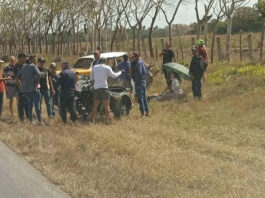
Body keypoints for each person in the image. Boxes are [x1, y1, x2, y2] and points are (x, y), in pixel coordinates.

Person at [90, 58, 121, 124]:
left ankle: (93, 120)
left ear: (99, 61)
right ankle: (106, 121)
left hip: (96, 88)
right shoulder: (107, 67)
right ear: (105, 62)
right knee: (106, 105)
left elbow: (91, 78)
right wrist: (120, 72)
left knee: (95, 105)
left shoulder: (94, 67)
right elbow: (114, 76)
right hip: (104, 88)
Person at [17, 55, 42, 124]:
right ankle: (40, 121)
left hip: (26, 90)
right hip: (34, 89)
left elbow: (17, 77)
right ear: (32, 59)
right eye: (35, 59)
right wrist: (36, 83)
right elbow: (39, 74)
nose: (36, 60)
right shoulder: (33, 66)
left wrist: (21, 85)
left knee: (29, 105)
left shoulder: (23, 67)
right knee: (37, 105)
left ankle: (31, 120)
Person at [131, 52, 149, 117]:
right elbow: (146, 72)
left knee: (140, 98)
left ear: (137, 57)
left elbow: (139, 73)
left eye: (133, 57)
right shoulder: (142, 62)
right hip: (143, 81)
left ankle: (142, 113)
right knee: (144, 97)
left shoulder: (138, 63)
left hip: (139, 82)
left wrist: (135, 80)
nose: (132, 58)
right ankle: (147, 112)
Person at [14, 53, 28, 121]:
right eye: (24, 57)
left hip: (26, 87)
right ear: (20, 58)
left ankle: (28, 115)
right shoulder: (16, 66)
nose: (25, 59)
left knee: (26, 102)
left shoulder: (25, 65)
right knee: (20, 103)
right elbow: (17, 78)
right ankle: (21, 117)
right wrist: (21, 88)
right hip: (20, 88)